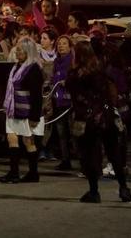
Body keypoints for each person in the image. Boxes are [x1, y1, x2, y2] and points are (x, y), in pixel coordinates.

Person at [66, 41, 131, 203]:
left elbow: (77, 98)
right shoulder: (101, 72)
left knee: (90, 156)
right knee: (114, 153)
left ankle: (94, 191)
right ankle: (124, 188)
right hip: (107, 117)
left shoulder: (75, 75)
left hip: (88, 120)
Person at [0, 38, 44, 184]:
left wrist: (34, 116)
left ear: (28, 52)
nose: (17, 52)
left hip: (25, 111)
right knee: (11, 138)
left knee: (28, 141)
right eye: (16, 49)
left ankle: (33, 172)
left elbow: (37, 96)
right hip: (13, 110)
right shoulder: (16, 67)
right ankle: (14, 172)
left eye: (20, 50)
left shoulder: (34, 69)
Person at [51, 35, 74, 171]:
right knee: (62, 133)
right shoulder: (56, 62)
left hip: (70, 102)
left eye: (64, 44)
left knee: (73, 133)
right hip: (58, 101)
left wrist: (68, 82)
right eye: (59, 44)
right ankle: (65, 160)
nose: (61, 46)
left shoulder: (72, 61)